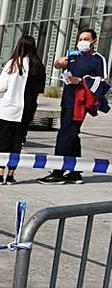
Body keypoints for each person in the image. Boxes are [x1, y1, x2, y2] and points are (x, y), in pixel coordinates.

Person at [39, 27, 109, 184]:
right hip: (67, 99)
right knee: (72, 135)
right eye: (80, 39)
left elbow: (101, 81)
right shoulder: (72, 55)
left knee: (65, 134)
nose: (82, 42)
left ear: (94, 41)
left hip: (81, 102)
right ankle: (75, 171)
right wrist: (59, 63)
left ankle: (58, 171)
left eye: (86, 39)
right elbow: (58, 66)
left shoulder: (98, 59)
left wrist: (82, 81)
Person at [0, 35, 47, 184]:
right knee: (17, 143)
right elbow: (40, 90)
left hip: (9, 108)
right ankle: (11, 175)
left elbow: (0, 87)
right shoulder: (38, 66)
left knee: (4, 142)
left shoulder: (13, 63)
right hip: (27, 109)